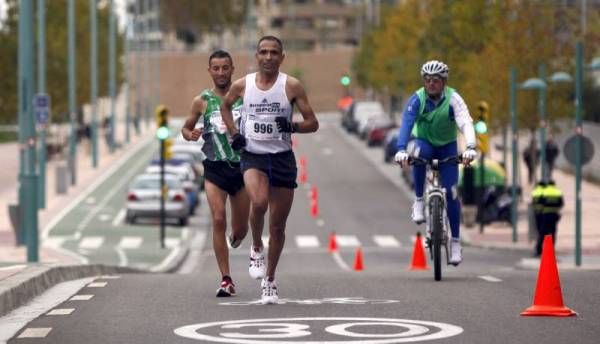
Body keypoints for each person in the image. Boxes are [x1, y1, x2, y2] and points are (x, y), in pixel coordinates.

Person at [220, 35, 319, 304]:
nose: (268, 57)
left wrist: (292, 126)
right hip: (253, 156)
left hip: (282, 158)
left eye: (274, 52)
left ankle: (270, 280)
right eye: (263, 52)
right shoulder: (244, 85)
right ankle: (255, 247)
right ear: (256, 56)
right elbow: (225, 106)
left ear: (282, 57)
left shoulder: (292, 86)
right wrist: (233, 133)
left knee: (277, 226)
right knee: (259, 202)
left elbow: (313, 123)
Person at [181, 50, 250, 297]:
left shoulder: (244, 96)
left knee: (240, 229)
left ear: (233, 69)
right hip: (214, 167)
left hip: (242, 169)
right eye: (216, 68)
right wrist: (191, 135)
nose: (220, 72)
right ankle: (226, 279)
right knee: (218, 218)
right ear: (209, 71)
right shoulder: (201, 100)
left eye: (225, 68)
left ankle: (238, 236)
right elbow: (185, 128)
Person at [394, 60, 477, 265]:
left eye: (436, 80)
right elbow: (406, 123)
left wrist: (470, 147)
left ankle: (456, 242)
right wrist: (401, 149)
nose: (431, 84)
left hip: (448, 147)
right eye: (427, 80)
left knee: (452, 193)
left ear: (444, 82)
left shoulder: (453, 99)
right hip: (425, 143)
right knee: (418, 152)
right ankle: (420, 200)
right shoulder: (417, 99)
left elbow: (465, 121)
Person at [536, 180, 564, 257]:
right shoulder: (558, 192)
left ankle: (539, 250)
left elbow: (540, 203)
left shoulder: (544, 192)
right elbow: (561, 204)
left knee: (542, 233)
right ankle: (551, 249)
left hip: (545, 215)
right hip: (554, 216)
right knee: (553, 233)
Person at [531, 180, 546, 257]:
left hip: (536, 214)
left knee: (539, 232)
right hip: (543, 214)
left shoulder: (535, 192)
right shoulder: (544, 192)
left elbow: (533, 203)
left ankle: (539, 248)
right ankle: (538, 249)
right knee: (542, 233)